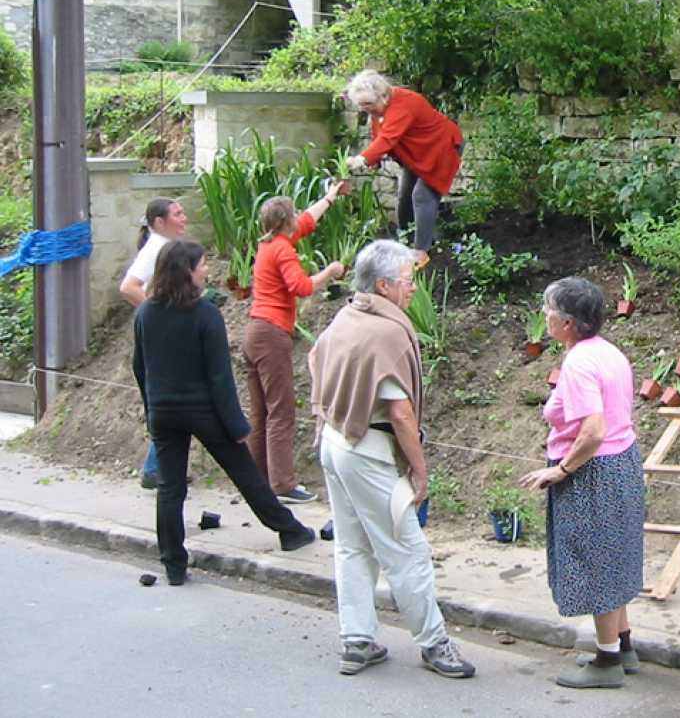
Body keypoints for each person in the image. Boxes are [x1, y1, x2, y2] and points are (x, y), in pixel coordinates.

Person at [308, 239, 474, 679]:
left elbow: (315, 358)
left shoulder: (348, 315)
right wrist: (419, 468)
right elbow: (401, 413)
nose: (412, 288)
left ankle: (356, 640)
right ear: (383, 285)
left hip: (335, 441)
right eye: (407, 280)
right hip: (367, 451)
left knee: (352, 545)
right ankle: (435, 644)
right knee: (408, 550)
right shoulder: (387, 333)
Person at [132, 240, 316, 586]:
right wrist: (236, 424)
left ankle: (173, 565)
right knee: (245, 473)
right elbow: (220, 378)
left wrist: (151, 408)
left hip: (163, 411)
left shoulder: (145, 313)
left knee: (170, 487)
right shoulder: (205, 314)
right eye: (202, 264)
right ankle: (290, 530)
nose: (207, 270)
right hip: (203, 409)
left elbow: (139, 367)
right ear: (187, 271)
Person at [519, 277, 644, 689]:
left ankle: (607, 661)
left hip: (594, 474)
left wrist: (562, 470)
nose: (544, 315)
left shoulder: (578, 364)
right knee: (615, 557)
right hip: (622, 464)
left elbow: (593, 431)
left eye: (549, 309)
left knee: (595, 563)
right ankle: (623, 646)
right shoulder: (608, 352)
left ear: (568, 323)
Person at [243, 187, 348, 503]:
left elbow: (306, 220)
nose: (297, 218)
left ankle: (255, 481)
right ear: (284, 222)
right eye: (293, 214)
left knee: (260, 412)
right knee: (281, 411)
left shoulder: (269, 244)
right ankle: (282, 484)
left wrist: (330, 197)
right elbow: (301, 287)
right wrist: (330, 271)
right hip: (272, 334)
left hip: (254, 332)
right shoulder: (283, 250)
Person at [344, 70, 464, 268]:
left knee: (422, 195)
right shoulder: (379, 108)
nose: (366, 110)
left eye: (368, 104)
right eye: (361, 105)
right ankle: (405, 241)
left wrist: (362, 159)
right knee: (404, 195)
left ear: (383, 95)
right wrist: (374, 160)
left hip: (440, 148)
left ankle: (421, 253)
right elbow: (380, 134)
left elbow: (388, 137)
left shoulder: (404, 104)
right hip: (417, 154)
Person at [122, 197, 188, 490]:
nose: (184, 218)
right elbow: (128, 287)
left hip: (164, 338)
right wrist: (159, 314)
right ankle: (155, 468)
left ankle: (160, 467)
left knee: (172, 402)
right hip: (160, 341)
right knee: (171, 401)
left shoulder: (165, 247)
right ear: (160, 222)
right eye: (177, 214)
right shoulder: (156, 249)